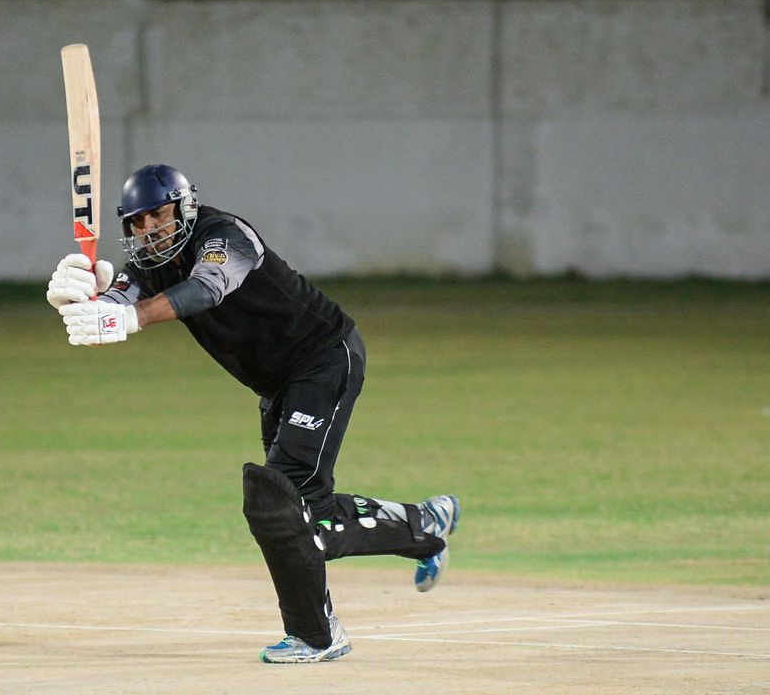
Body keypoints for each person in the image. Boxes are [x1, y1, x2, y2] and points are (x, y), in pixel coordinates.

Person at [46, 164, 460, 663]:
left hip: (323, 358)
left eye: (158, 215)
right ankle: (423, 525)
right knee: (308, 510)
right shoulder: (151, 262)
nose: (148, 228)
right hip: (279, 384)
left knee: (278, 504)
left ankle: (316, 636)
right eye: (137, 221)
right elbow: (113, 309)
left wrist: (126, 316)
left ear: (185, 207)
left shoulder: (225, 237)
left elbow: (206, 288)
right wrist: (83, 299)